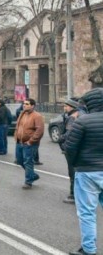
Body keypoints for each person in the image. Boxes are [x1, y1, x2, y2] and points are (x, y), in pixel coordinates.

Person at [64, 88, 103, 255]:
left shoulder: (82, 121)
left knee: (87, 213)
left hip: (87, 171)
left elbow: (70, 148)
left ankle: (89, 249)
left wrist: (75, 164)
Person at [14, 98, 44, 189]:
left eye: (27, 104)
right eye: (24, 103)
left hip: (29, 144)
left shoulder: (37, 116)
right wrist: (16, 136)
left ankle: (28, 182)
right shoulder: (22, 114)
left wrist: (31, 141)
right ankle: (33, 175)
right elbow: (18, 126)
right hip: (19, 142)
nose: (24, 105)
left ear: (32, 106)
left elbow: (39, 131)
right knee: (19, 160)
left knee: (28, 162)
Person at [58, 98, 83, 204]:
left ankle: (73, 195)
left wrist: (60, 138)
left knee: (72, 172)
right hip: (77, 148)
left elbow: (69, 133)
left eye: (66, 106)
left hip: (71, 149)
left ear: (72, 107)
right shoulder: (79, 115)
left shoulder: (72, 118)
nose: (65, 108)